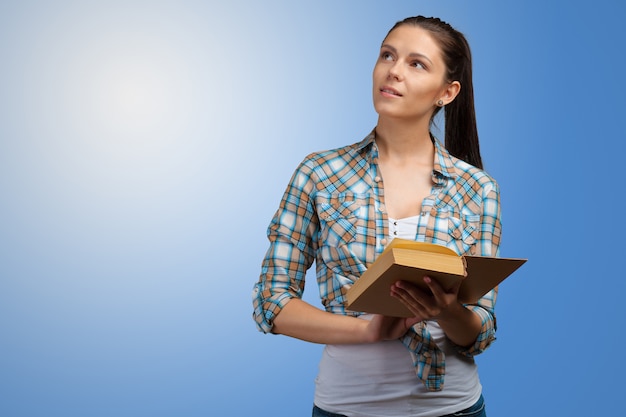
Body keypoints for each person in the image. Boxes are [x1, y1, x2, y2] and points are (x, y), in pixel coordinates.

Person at [252, 15, 501, 417]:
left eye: (416, 63)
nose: (394, 71)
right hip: (345, 407)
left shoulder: (478, 190)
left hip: (455, 408)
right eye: (387, 55)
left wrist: (448, 311)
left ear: (447, 92)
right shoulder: (319, 173)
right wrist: (365, 330)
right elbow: (272, 302)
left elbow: (480, 332)